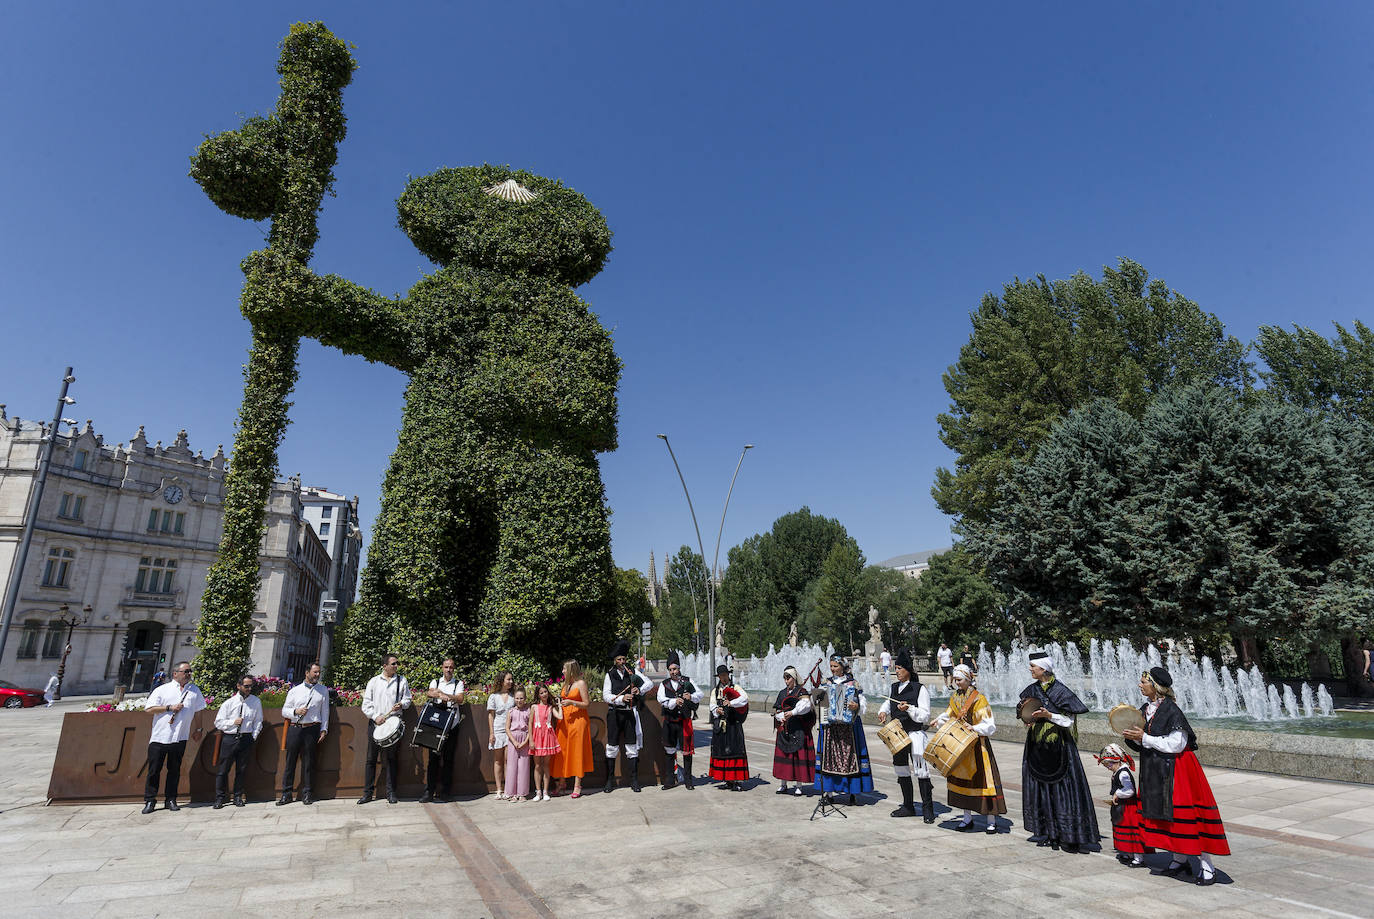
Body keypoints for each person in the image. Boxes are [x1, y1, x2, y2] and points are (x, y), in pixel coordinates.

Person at [1122, 667, 1230, 885]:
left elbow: (1177, 744)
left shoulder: (1171, 710)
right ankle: (1179, 858)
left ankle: (1207, 866)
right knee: (1165, 817)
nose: (1139, 684)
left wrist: (1145, 738)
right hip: (1156, 769)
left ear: (1155, 686)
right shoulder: (1146, 709)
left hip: (1177, 769)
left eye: (1143, 681)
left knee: (1186, 818)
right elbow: (1144, 739)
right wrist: (1133, 736)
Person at [1019, 650, 1099, 852]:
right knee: (1042, 790)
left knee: (1062, 790)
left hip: (1060, 747)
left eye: (1033, 667)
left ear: (1043, 669)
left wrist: (1050, 715)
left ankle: (1069, 835)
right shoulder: (1031, 690)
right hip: (1037, 746)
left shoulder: (1061, 691)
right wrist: (1028, 719)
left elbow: (1069, 721)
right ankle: (1049, 832)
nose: (1030, 669)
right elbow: (1023, 711)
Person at [933, 663, 1006, 833]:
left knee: (983, 781)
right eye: (955, 679)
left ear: (968, 679)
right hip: (960, 746)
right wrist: (939, 720)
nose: (956, 682)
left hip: (978, 746)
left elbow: (989, 724)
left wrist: (976, 728)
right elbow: (949, 714)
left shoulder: (979, 699)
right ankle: (967, 818)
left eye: (959, 679)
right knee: (961, 782)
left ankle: (991, 820)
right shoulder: (955, 697)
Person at [141, 662, 206, 814]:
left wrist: (199, 728)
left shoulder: (194, 691)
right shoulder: (162, 690)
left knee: (174, 770)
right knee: (154, 770)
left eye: (190, 671)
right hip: (160, 737)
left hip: (180, 737)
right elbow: (149, 708)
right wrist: (169, 708)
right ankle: (150, 800)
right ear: (175, 673)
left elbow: (199, 711)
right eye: (186, 671)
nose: (189, 674)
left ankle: (171, 799)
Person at [877, 650, 933, 820]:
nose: (897, 671)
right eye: (896, 668)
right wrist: (882, 711)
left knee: (921, 771)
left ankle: (928, 809)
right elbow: (889, 701)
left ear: (908, 669)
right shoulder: (894, 687)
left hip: (915, 733)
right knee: (901, 769)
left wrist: (909, 708)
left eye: (900, 668)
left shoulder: (919, 689)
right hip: (898, 735)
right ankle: (908, 806)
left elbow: (925, 715)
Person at [814, 654, 874, 804]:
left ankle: (852, 792)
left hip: (849, 727)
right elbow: (819, 701)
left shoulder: (853, 683)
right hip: (830, 728)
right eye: (831, 666)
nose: (832, 669)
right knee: (829, 759)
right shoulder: (826, 683)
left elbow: (863, 703)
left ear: (842, 666)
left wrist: (857, 706)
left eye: (835, 666)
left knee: (850, 759)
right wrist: (818, 700)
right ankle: (828, 793)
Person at [602, 639, 654, 793]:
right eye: (619, 659)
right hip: (615, 714)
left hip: (629, 714)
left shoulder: (632, 672)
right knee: (611, 747)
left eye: (624, 659)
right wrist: (620, 699)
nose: (622, 662)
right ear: (614, 660)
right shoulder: (609, 675)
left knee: (632, 747)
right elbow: (606, 696)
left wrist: (639, 690)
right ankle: (609, 781)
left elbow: (649, 684)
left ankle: (634, 781)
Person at [359, 653, 411, 805]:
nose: (396, 666)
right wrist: (376, 717)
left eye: (397, 663)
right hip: (376, 724)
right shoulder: (374, 682)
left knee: (391, 760)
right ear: (385, 666)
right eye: (393, 663)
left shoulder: (402, 680)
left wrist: (401, 704)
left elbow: (408, 699)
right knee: (371, 760)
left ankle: (391, 793)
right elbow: (366, 704)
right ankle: (367, 793)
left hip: (392, 725)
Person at [279, 661, 329, 806]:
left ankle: (307, 793)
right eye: (315, 672)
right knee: (290, 762)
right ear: (307, 673)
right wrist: (296, 711)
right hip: (295, 727)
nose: (317, 675)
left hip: (312, 728)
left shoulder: (323, 690)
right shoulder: (295, 691)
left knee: (309, 763)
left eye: (319, 672)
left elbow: (325, 711)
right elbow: (284, 711)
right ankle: (286, 794)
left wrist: (324, 729)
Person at [419, 657, 465, 803]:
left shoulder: (458, 683)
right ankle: (429, 792)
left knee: (449, 759)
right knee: (433, 759)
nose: (448, 670)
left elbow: (460, 698)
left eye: (451, 667)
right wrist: (438, 694)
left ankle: (446, 792)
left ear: (454, 668)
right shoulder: (435, 681)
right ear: (442, 668)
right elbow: (429, 693)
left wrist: (446, 696)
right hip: (436, 725)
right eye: (446, 667)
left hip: (452, 725)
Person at [214, 675, 263, 809]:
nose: (249, 689)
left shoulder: (255, 702)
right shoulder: (229, 703)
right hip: (230, 738)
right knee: (223, 769)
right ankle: (220, 797)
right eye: (246, 686)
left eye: (251, 686)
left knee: (241, 769)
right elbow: (218, 722)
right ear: (239, 686)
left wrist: (253, 736)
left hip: (246, 737)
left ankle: (237, 796)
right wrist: (232, 722)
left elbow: (258, 721)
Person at [656, 650, 702, 790]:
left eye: (675, 669)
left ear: (679, 668)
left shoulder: (688, 681)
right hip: (670, 722)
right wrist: (674, 701)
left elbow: (699, 694)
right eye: (670, 670)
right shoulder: (664, 684)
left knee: (686, 752)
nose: (673, 672)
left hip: (684, 722)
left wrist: (691, 697)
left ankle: (688, 781)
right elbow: (661, 699)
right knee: (669, 750)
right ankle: (670, 779)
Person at [1096, 743, 1147, 867]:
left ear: (1117, 760)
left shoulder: (1123, 773)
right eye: (1106, 765)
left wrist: (1117, 793)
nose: (1108, 767)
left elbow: (1130, 790)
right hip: (1122, 807)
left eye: (1109, 764)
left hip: (1128, 808)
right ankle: (1129, 854)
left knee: (1132, 832)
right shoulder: (1119, 771)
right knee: (1123, 829)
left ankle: (1138, 857)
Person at [771, 665, 815, 796]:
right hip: (784, 730)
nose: (786, 680)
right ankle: (783, 784)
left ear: (794, 678)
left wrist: (793, 712)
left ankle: (799, 785)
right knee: (785, 757)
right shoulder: (782, 693)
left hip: (798, 729)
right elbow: (777, 710)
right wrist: (781, 717)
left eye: (788, 678)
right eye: (784, 678)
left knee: (797, 758)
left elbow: (806, 706)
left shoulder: (802, 692)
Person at [552, 660, 592, 798]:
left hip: (578, 721)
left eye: (564, 669)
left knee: (576, 751)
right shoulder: (566, 684)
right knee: (562, 751)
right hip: (565, 721)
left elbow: (587, 703)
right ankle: (562, 783)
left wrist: (571, 702)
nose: (562, 671)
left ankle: (577, 785)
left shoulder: (580, 684)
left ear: (570, 669)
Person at [709, 664, 750, 790]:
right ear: (719, 677)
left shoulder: (736, 687)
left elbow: (744, 699)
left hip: (733, 725)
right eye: (721, 676)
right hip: (721, 726)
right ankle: (727, 779)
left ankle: (735, 780)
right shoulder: (715, 691)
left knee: (735, 751)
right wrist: (717, 710)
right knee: (722, 752)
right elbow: (712, 706)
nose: (724, 678)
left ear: (728, 675)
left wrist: (731, 703)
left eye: (725, 675)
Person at [487, 671, 517, 799]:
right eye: (508, 679)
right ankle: (499, 789)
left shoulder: (514, 696)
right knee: (498, 760)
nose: (510, 682)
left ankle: (508, 789)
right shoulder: (493, 696)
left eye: (511, 679)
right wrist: (491, 733)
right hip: (498, 730)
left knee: (508, 760)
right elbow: (491, 715)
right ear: (502, 681)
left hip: (510, 731)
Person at [529, 683, 561, 801]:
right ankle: (538, 792)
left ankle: (546, 791)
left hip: (548, 737)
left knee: (546, 765)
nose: (544, 694)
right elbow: (530, 723)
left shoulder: (550, 707)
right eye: (541, 693)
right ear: (538, 694)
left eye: (545, 692)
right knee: (537, 765)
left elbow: (560, 717)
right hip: (537, 737)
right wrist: (531, 740)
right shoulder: (534, 707)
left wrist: (558, 705)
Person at [505, 687, 532, 801]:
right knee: (512, 766)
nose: (519, 700)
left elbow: (531, 729)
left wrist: (525, 742)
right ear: (514, 699)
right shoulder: (510, 712)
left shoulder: (529, 711)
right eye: (517, 698)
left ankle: (522, 793)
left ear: (525, 699)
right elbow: (507, 728)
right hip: (513, 740)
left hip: (524, 739)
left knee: (523, 767)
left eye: (521, 698)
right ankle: (512, 793)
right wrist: (514, 741)